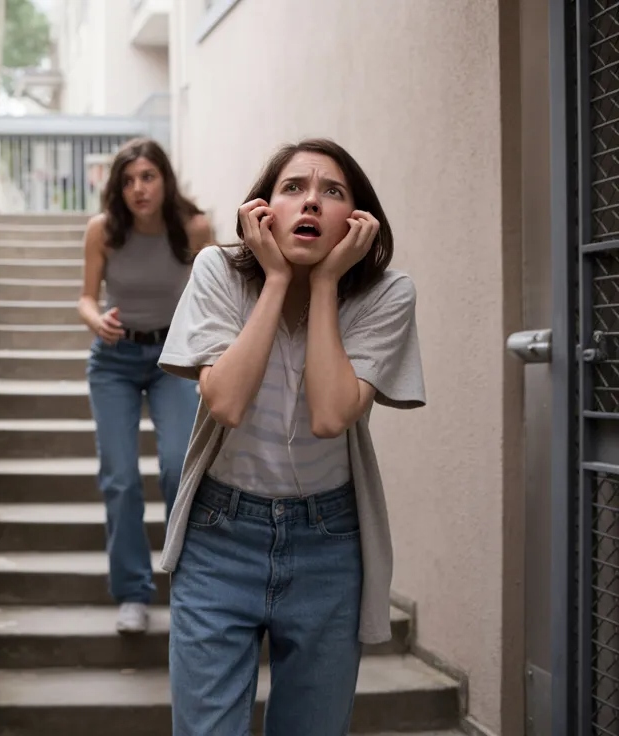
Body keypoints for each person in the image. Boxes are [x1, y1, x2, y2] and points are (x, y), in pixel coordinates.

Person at [157, 138, 425, 735]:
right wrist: (277, 278)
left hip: (329, 545)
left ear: (357, 219)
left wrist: (326, 284)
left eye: (333, 191)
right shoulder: (218, 272)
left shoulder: (387, 295)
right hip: (219, 536)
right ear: (263, 210)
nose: (311, 202)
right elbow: (226, 402)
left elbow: (331, 416)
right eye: (293, 188)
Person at [77, 137, 215, 635]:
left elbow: (215, 297)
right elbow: (86, 298)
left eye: (148, 177)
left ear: (164, 180)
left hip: (172, 360)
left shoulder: (195, 228)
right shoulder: (103, 231)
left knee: (179, 467)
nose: (139, 188)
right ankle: (133, 593)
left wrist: (209, 356)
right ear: (119, 188)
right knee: (120, 479)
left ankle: (188, 587)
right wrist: (97, 321)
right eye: (129, 180)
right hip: (114, 362)